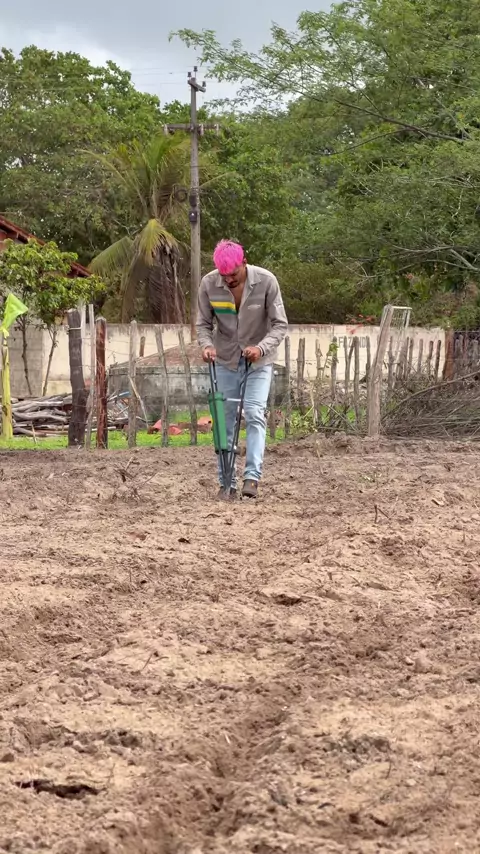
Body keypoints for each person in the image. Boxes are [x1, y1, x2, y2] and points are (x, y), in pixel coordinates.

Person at [197, 239, 288, 500]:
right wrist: (206, 345)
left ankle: (252, 478)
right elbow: (203, 324)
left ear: (244, 263)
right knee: (223, 420)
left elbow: (280, 325)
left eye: (233, 274)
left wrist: (261, 348)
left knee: (254, 413)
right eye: (224, 275)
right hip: (225, 360)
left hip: (258, 362)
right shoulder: (208, 284)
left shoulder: (267, 281)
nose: (228, 280)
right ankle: (226, 482)